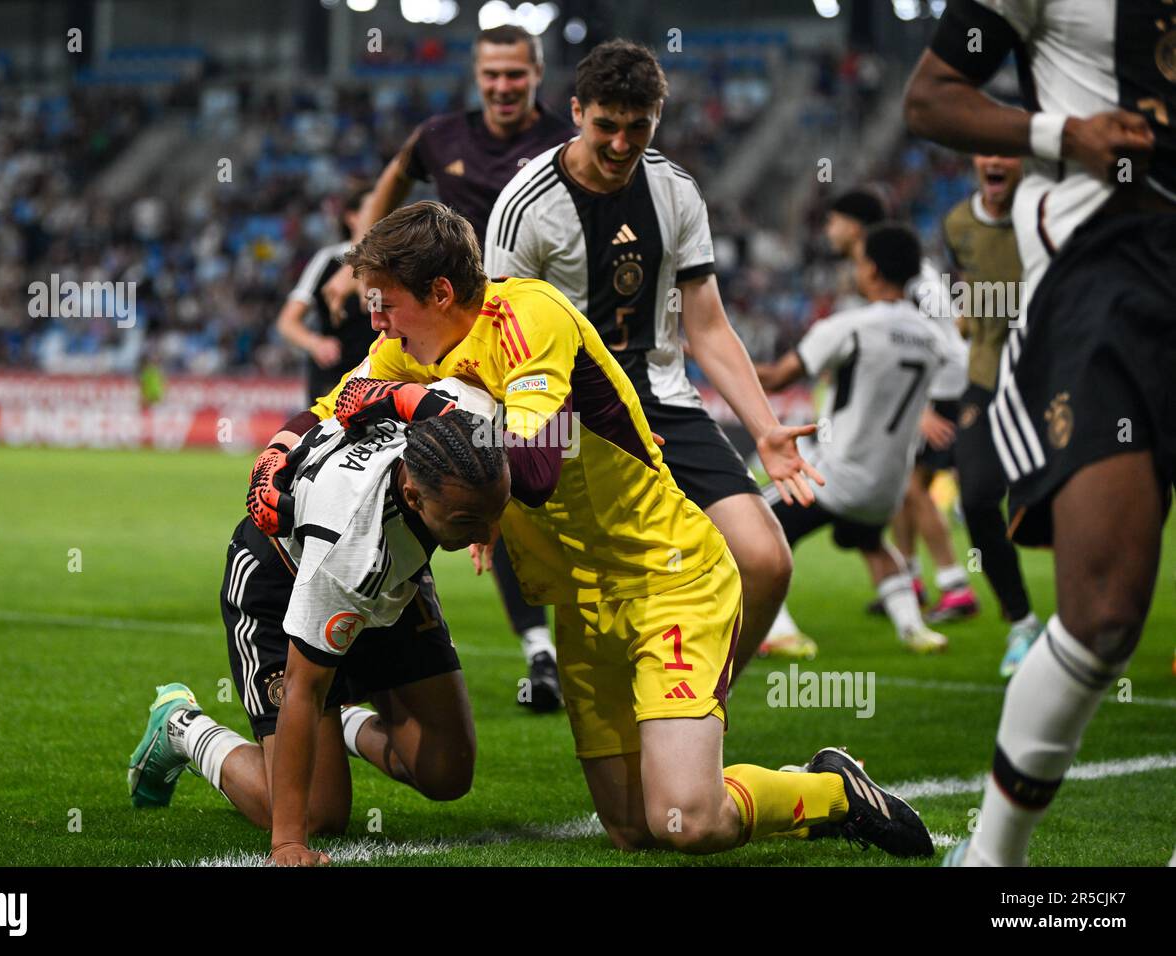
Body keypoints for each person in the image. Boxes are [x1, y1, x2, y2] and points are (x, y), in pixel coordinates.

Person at [250, 201, 935, 859]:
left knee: (688, 821)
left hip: (667, 578)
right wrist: (277, 454)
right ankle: (782, 786)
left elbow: (539, 468)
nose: (378, 324)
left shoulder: (527, 315)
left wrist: (417, 410)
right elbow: (335, 406)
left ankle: (833, 792)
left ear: (437, 292)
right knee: (638, 828)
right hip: (580, 601)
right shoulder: (410, 347)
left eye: (385, 303)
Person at [904, 0, 1175, 866]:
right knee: (1102, 613)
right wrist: (1067, 135)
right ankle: (993, 857)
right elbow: (931, 98)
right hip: (1110, 273)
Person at [483, 39, 821, 677]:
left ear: (656, 118)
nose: (620, 144)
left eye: (637, 128)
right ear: (578, 112)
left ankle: (702, 706)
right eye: (606, 126)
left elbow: (710, 326)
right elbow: (498, 340)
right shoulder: (525, 205)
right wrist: (492, 473)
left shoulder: (675, 191)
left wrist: (766, 428)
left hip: (662, 399)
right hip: (564, 415)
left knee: (767, 560)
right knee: (599, 610)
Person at [129, 399, 510, 868]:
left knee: (446, 771)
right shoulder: (350, 551)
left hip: (391, 579)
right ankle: (182, 727)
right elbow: (302, 690)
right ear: (413, 496)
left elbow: (349, 392)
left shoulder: (466, 423)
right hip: (284, 580)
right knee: (318, 813)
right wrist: (288, 845)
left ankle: (342, 721)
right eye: (469, 520)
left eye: (497, 510)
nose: (488, 529)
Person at [321, 24, 575, 711]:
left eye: (515, 75)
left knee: (532, 478)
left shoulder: (566, 146)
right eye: (491, 73)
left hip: (529, 334)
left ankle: (557, 644)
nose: (501, 86)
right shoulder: (441, 137)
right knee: (447, 471)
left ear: (537, 76)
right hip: (444, 337)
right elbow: (395, 176)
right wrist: (361, 262)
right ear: (476, 74)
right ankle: (527, 648)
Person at [754, 224, 951, 655]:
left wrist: (701, 353)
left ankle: (780, 630)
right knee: (871, 541)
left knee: (748, 526)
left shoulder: (851, 327)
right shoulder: (932, 338)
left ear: (873, 271)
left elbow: (777, 377)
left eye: (860, 263)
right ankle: (914, 629)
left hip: (836, 476)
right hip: (886, 487)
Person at [825, 189, 978, 621]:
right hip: (923, 391)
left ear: (854, 226)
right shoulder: (882, 264)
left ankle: (955, 587)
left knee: (910, 487)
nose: (827, 230)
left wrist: (924, 405)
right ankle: (908, 578)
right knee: (900, 486)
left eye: (833, 220)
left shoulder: (907, 272)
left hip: (940, 391)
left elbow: (943, 336)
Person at [941, 153, 1042, 675]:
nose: (996, 160)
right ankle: (1022, 621)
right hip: (985, 382)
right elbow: (966, 289)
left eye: (1007, 151)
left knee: (1072, 507)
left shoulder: (1046, 214)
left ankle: (1091, 630)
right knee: (978, 498)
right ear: (976, 160)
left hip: (1048, 383)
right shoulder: (956, 223)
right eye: (987, 150)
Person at [276, 186, 375, 405]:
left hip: (383, 375)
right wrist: (315, 343)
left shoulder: (398, 260)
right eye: (375, 207)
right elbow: (287, 321)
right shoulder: (329, 260)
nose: (382, 214)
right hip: (335, 377)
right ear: (352, 217)